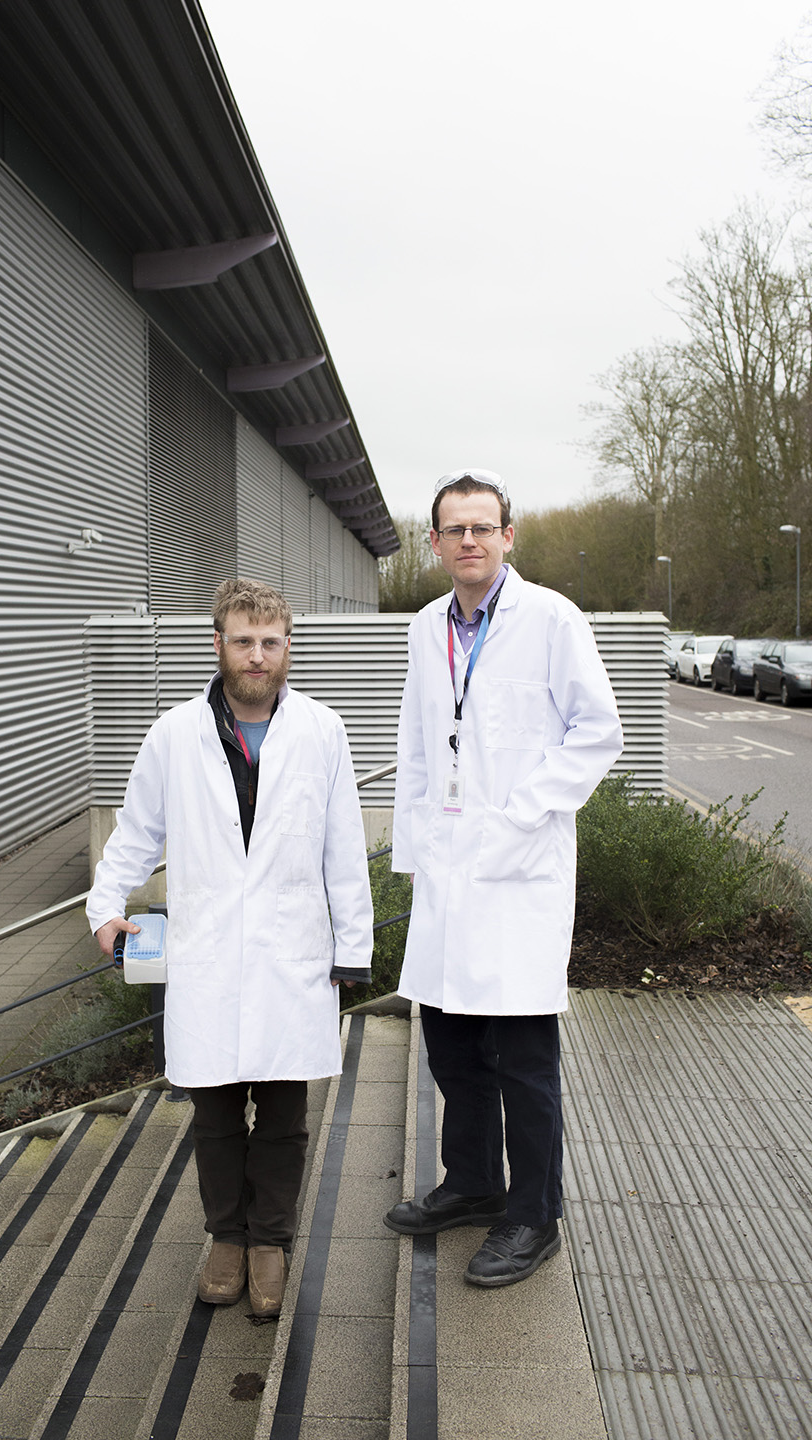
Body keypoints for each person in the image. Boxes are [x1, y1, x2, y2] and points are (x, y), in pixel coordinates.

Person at [87, 578, 373, 1317]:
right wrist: (104, 907)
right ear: (217, 644)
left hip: (293, 954)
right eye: (242, 640)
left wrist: (354, 948)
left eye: (270, 642)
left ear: (288, 648)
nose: (257, 655)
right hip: (207, 949)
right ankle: (226, 1237)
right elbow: (136, 831)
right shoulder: (174, 733)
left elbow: (344, 848)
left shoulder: (323, 730)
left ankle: (270, 1243)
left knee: (283, 1113)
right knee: (214, 1115)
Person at [383, 470, 622, 1287]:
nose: (470, 541)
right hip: (448, 876)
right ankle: (475, 1183)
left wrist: (523, 810)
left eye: (484, 527)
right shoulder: (423, 627)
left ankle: (533, 1216)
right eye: (455, 530)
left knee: (524, 1059)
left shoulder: (552, 619)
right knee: (451, 1047)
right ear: (436, 542)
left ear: (507, 535)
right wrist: (411, 852)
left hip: (519, 872)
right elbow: (419, 741)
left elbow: (599, 732)